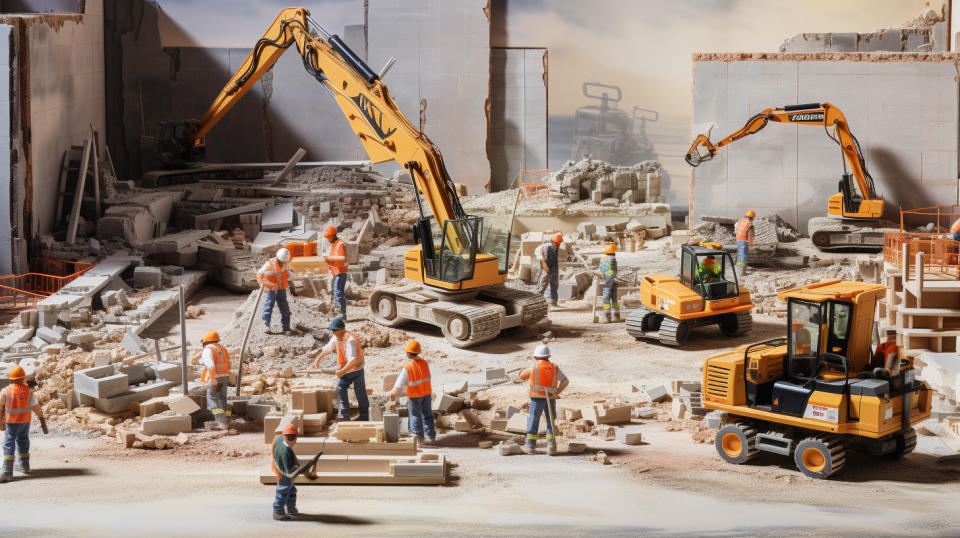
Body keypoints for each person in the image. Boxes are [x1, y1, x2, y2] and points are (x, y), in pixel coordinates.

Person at [313, 318, 368, 421]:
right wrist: (318, 358)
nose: (333, 332)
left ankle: (356, 415)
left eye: (334, 330)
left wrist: (342, 371)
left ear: (341, 329)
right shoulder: (336, 337)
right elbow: (328, 348)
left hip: (356, 369)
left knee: (350, 389)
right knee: (346, 389)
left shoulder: (350, 340)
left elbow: (353, 360)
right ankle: (348, 414)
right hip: (347, 369)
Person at [517, 344, 568, 456]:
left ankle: (530, 446)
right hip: (550, 398)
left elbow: (521, 377)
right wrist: (557, 392)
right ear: (548, 356)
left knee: (534, 419)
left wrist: (521, 370)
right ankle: (551, 447)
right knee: (550, 420)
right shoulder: (554, 367)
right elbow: (565, 381)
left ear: (536, 356)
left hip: (537, 398)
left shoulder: (534, 367)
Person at [1, 366, 46, 483]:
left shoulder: (5, 391)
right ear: (23, 379)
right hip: (25, 423)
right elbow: (36, 407)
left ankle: (7, 472)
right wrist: (41, 418)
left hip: (12, 422)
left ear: (11, 379)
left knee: (8, 444)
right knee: (23, 441)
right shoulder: (28, 392)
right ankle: (25, 466)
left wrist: (0, 421)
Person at [389, 340, 436, 445]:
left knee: (415, 416)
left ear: (409, 353)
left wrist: (391, 398)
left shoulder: (407, 368)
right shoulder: (424, 363)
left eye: (407, 352)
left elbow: (397, 388)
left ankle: (419, 439)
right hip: (427, 393)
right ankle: (431, 436)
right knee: (427, 415)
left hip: (414, 396)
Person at [257, 247, 293, 335]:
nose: (286, 262)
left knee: (284, 307)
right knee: (268, 306)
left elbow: (284, 273)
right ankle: (266, 325)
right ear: (280, 259)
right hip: (270, 288)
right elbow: (259, 274)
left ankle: (286, 327)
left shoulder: (284, 263)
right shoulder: (269, 264)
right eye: (285, 261)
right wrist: (264, 285)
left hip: (281, 288)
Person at [200, 331, 231, 428]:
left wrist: (212, 378)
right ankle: (227, 420)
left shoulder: (208, 349)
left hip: (215, 377)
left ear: (205, 342)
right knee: (222, 398)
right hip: (224, 376)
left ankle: (221, 422)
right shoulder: (221, 348)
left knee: (212, 399)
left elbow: (211, 365)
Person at [271, 423, 301, 521]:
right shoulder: (286, 452)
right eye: (289, 438)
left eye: (292, 437)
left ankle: (291, 508)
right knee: (283, 490)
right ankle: (278, 511)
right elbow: (290, 471)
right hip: (284, 473)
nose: (291, 440)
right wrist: (300, 469)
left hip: (280, 465)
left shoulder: (279, 439)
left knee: (291, 490)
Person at [323, 225, 348, 320]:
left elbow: (342, 259)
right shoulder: (334, 244)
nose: (327, 238)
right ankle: (337, 314)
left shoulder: (339, 244)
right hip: (335, 272)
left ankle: (341, 316)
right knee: (336, 293)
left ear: (333, 235)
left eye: (328, 236)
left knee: (338, 293)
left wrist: (328, 259)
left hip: (340, 273)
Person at [535, 233, 563, 307]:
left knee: (554, 285)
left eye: (559, 244)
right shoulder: (545, 246)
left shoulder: (557, 246)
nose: (558, 245)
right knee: (542, 285)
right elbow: (537, 252)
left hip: (554, 268)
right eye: (557, 243)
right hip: (546, 268)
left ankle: (554, 303)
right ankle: (537, 302)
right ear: (553, 241)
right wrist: (542, 261)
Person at [595, 243, 620, 323]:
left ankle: (607, 317)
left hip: (606, 279)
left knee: (606, 298)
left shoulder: (603, 259)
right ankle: (616, 316)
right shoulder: (613, 258)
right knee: (615, 299)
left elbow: (602, 270)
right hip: (612, 279)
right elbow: (614, 270)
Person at [735, 210, 755, 275]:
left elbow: (736, 228)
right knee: (743, 256)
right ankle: (742, 272)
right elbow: (750, 235)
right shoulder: (750, 224)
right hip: (744, 241)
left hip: (738, 239)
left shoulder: (740, 221)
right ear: (752, 218)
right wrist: (751, 243)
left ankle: (739, 269)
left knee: (740, 255)